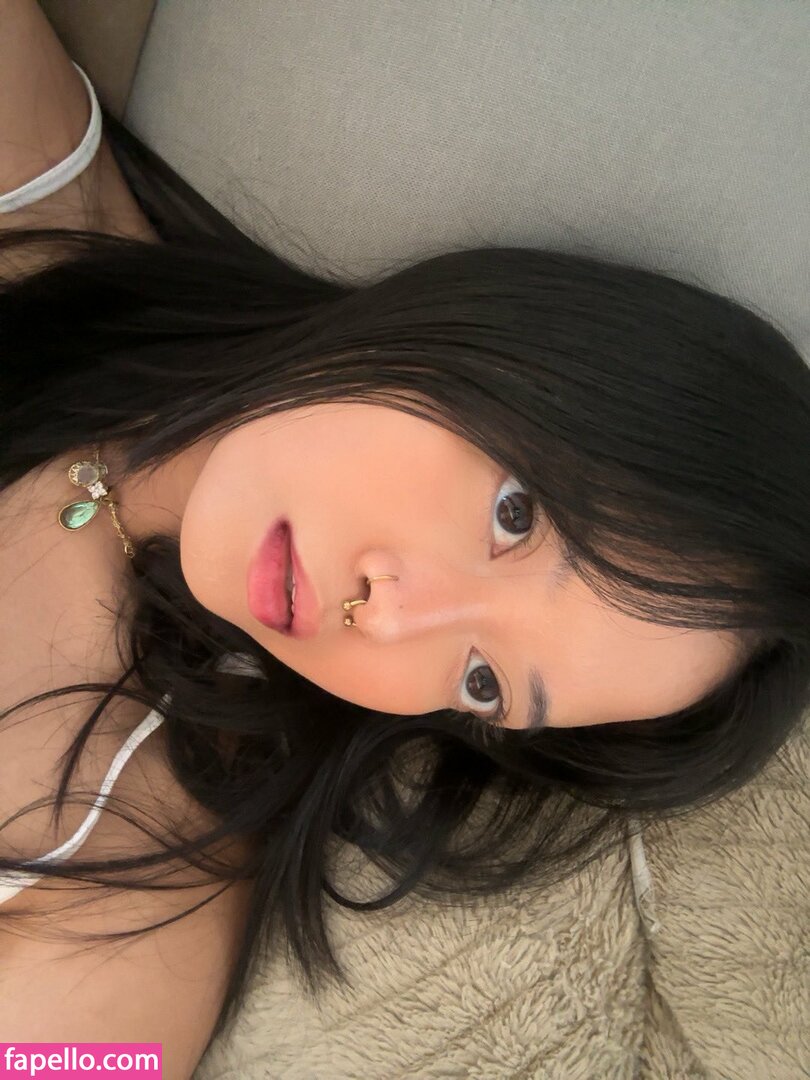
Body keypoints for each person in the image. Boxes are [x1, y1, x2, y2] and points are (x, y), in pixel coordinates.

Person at [1, 11, 807, 1062]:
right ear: (504, 345)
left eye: (482, 680)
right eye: (516, 517)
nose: (386, 618)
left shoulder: (132, 890)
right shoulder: (32, 180)